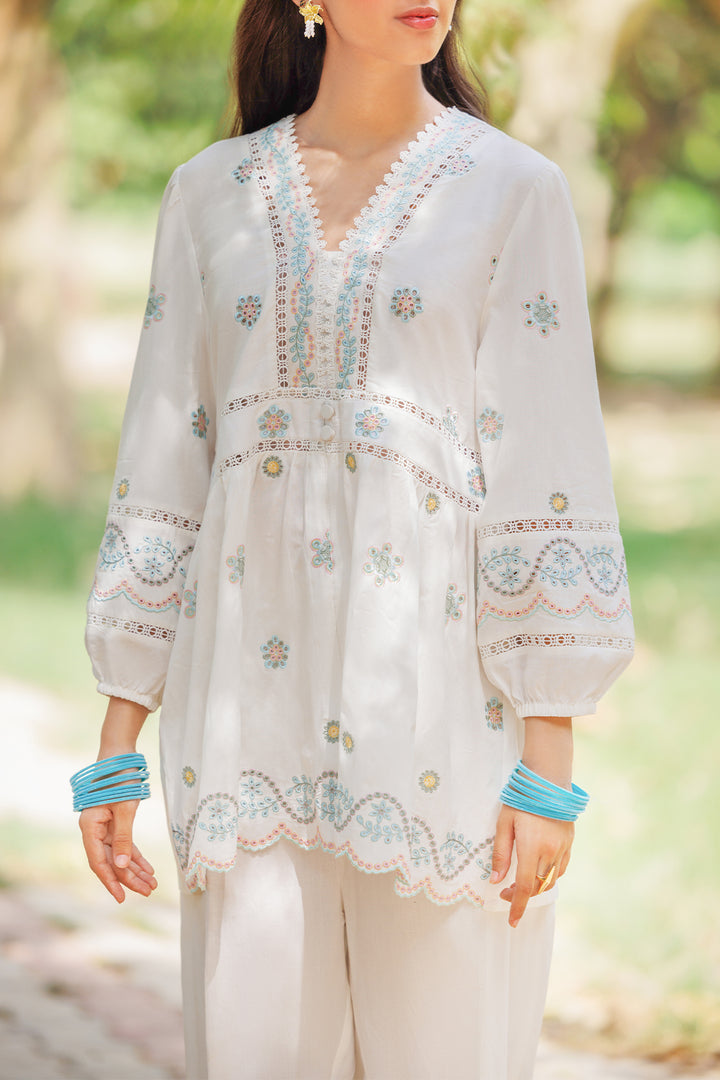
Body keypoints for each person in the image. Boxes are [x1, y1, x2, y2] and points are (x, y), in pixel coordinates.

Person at [75, 1, 635, 1077]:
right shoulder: (208, 197)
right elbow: (167, 464)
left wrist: (548, 765)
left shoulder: (514, 191)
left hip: (444, 734)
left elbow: (548, 473)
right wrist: (118, 734)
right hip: (245, 732)